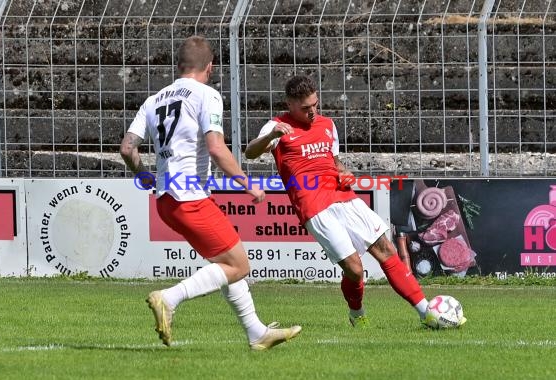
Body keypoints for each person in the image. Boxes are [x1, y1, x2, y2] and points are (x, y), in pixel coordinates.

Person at [120, 35, 301, 349]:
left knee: (226, 264)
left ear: (179, 66)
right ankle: (169, 298)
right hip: (189, 198)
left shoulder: (154, 100)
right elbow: (217, 149)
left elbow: (127, 148)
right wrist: (248, 184)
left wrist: (143, 174)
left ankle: (257, 333)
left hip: (166, 200)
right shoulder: (206, 94)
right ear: (211, 67)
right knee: (239, 266)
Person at [245, 74, 444, 328]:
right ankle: (357, 314)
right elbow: (250, 153)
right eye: (305, 108)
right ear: (290, 104)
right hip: (314, 207)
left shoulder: (327, 125)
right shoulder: (277, 126)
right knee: (355, 269)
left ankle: (427, 313)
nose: (312, 112)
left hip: (343, 197)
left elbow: (336, 163)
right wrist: (270, 135)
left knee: (386, 249)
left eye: (315, 104)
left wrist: (345, 172)